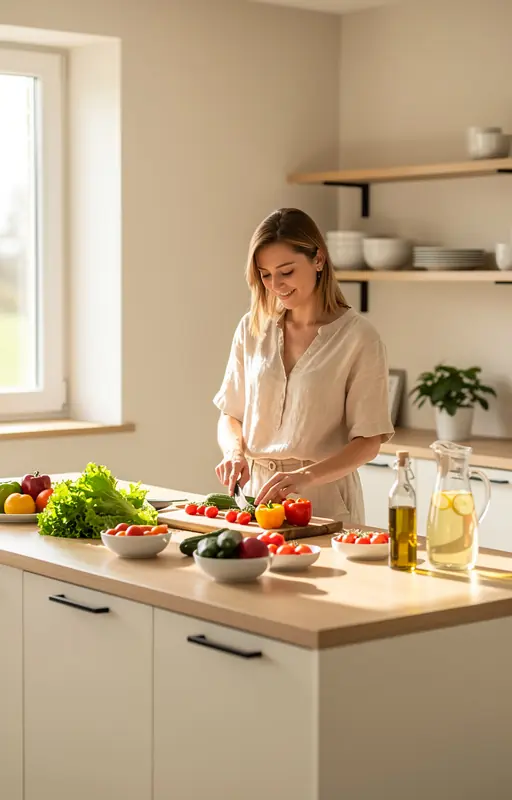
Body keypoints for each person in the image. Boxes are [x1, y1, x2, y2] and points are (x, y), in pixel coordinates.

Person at [213, 207, 394, 525]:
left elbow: (369, 442)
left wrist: (304, 477)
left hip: (323, 495)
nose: (275, 285)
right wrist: (234, 453)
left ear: (319, 260)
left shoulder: (360, 338)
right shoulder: (252, 329)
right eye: (265, 275)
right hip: (257, 494)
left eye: (286, 271)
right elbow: (231, 413)